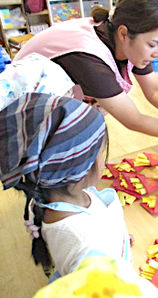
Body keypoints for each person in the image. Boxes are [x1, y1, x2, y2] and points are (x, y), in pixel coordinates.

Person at [14, 0, 158, 153]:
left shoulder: (129, 42)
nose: (157, 53)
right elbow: (134, 120)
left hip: (58, 106)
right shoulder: (89, 57)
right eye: (153, 44)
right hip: (24, 114)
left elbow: (154, 90)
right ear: (124, 33)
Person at [0, 93, 132, 279]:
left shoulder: (43, 194)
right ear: (84, 168)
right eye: (101, 151)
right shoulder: (86, 246)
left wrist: (117, 238)